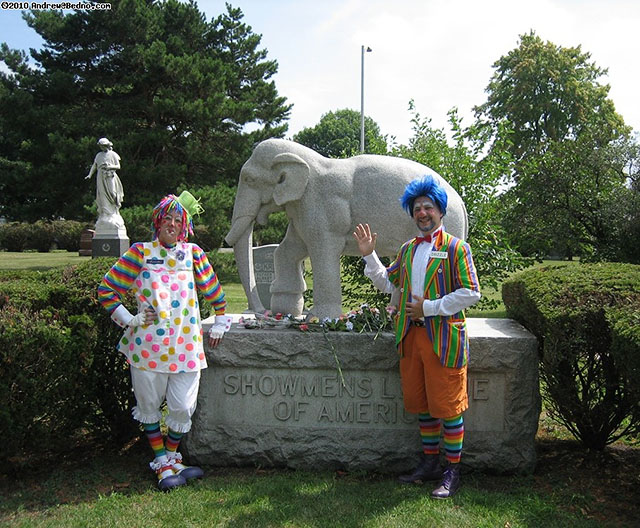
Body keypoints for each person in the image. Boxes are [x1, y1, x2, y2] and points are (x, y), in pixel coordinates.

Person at [353, 175, 481, 499]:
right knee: (423, 405)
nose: (422, 213)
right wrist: (369, 255)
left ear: (440, 211)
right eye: (417, 208)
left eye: (428, 207)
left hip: (444, 340)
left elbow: (471, 292)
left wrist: (430, 307)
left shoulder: (457, 248)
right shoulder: (408, 249)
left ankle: (452, 470)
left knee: (449, 408)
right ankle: (429, 464)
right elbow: (388, 283)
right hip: (412, 338)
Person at [98, 191, 231, 491]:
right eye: (167, 219)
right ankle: (160, 460)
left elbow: (213, 289)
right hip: (148, 348)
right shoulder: (140, 253)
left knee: (183, 406)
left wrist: (221, 320)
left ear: (185, 227)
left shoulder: (193, 254)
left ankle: (172, 457)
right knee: (149, 405)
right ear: (158, 222)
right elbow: (107, 289)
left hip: (186, 346)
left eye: (178, 221)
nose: (172, 224)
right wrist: (129, 319)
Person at [85, 137, 124, 220]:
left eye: (103, 146)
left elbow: (118, 166)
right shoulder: (99, 155)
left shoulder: (113, 154)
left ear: (107, 145)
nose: (101, 148)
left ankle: (115, 209)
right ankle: (105, 212)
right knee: (102, 194)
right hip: (100, 176)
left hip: (110, 176)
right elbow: (94, 165)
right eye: (100, 146)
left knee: (112, 192)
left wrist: (109, 167)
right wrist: (90, 174)